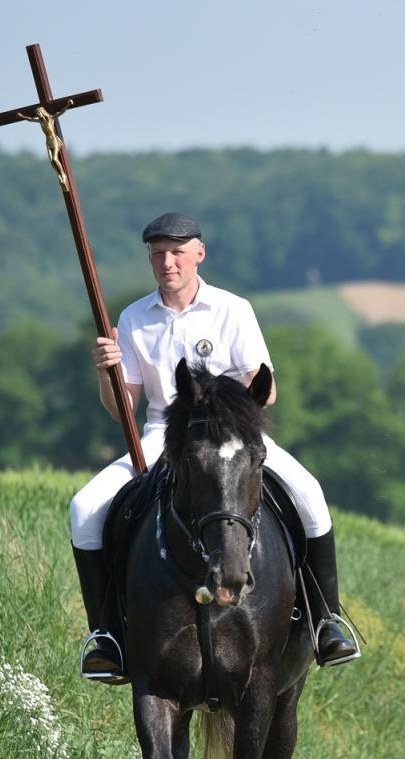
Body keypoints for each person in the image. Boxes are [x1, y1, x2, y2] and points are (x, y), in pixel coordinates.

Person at [68, 212, 359, 682]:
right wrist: (108, 373)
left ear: (198, 254)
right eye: (158, 253)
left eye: (178, 252)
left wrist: (234, 409)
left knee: (310, 494)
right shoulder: (133, 317)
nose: (168, 262)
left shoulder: (233, 309)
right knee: (83, 508)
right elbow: (123, 408)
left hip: (233, 432)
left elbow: (264, 389)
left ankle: (327, 620)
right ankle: (106, 636)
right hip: (164, 431)